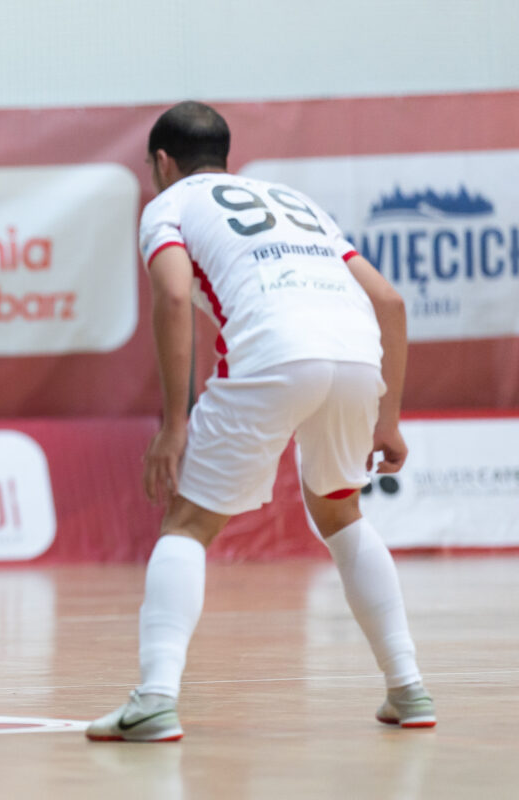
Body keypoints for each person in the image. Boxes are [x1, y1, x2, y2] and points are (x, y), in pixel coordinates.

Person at [87, 102, 434, 742]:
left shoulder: (169, 205)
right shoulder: (290, 199)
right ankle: (408, 687)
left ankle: (155, 698)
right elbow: (387, 299)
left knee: (187, 525)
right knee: (341, 514)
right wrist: (390, 419)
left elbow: (169, 296)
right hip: (356, 356)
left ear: (162, 162)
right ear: (225, 153)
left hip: (276, 352)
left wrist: (173, 423)